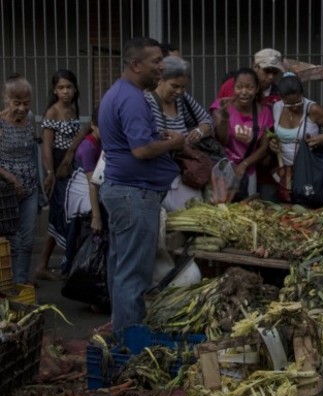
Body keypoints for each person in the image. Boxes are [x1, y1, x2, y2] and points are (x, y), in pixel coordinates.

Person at [99, 37, 185, 331]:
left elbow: (134, 141)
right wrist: (175, 141)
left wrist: (156, 137)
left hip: (124, 192)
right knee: (133, 274)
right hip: (134, 194)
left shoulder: (120, 93)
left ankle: (119, 331)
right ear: (136, 64)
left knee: (121, 268)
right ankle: (129, 344)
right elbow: (141, 150)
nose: (162, 67)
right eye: (156, 62)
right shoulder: (133, 98)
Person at [145, 55, 215, 211]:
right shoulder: (146, 102)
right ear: (160, 80)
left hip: (184, 175)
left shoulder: (183, 100)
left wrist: (199, 131)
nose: (179, 91)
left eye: (183, 87)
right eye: (174, 86)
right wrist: (175, 142)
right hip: (158, 179)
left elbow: (209, 122)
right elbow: (147, 142)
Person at [35, 69, 81, 280]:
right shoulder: (52, 112)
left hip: (71, 166)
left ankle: (50, 264)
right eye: (61, 88)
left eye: (69, 87)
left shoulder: (72, 110)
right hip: (58, 166)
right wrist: (50, 172)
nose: (65, 92)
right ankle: (45, 266)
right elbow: (46, 145)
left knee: (67, 213)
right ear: (54, 90)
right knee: (60, 213)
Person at [268, 73, 323, 202]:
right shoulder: (276, 108)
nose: (295, 107)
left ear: (302, 94)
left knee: (309, 204)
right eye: (289, 105)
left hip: (309, 169)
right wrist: (272, 143)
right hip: (285, 171)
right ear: (281, 98)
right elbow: (272, 134)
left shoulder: (313, 109)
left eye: (298, 102)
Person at [0, 75, 40, 285]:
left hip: (30, 189)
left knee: (27, 240)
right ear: (6, 99)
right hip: (6, 193)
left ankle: (22, 286)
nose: (22, 109)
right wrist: (11, 178)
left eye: (26, 103)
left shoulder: (30, 118)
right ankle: (9, 286)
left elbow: (33, 150)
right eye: (17, 103)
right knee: (12, 241)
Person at [211, 67, 274, 201]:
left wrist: (244, 165)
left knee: (246, 209)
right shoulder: (221, 105)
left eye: (249, 87)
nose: (243, 92)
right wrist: (224, 119)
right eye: (239, 87)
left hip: (248, 171)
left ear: (257, 89)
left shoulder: (265, 113)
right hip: (223, 168)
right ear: (233, 88)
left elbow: (264, 148)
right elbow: (222, 140)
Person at [63, 107, 103, 265]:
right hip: (82, 193)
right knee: (78, 236)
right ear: (93, 125)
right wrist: (96, 216)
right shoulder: (88, 147)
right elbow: (92, 183)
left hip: (94, 188)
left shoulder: (102, 142)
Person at [212, 48, 285, 107]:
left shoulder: (279, 96)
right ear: (255, 67)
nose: (271, 77)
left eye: (275, 72)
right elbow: (216, 111)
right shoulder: (230, 85)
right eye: (267, 71)